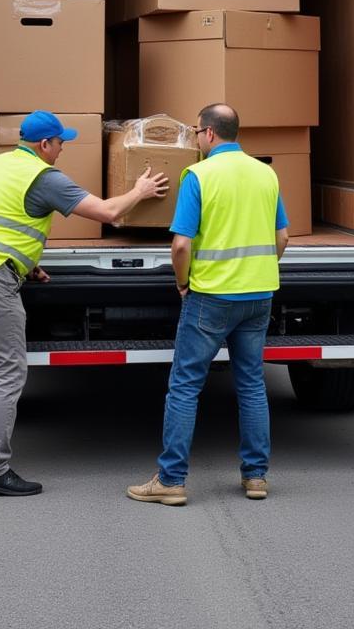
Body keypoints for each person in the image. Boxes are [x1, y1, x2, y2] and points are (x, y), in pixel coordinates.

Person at [0, 109, 169, 497]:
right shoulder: (45, 177)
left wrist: (26, 265)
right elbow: (108, 211)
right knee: (8, 371)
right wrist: (140, 191)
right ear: (44, 144)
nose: (62, 150)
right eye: (61, 143)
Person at [127, 103, 289, 506]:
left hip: (210, 297)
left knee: (184, 387)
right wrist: (258, 270)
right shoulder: (266, 173)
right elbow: (282, 238)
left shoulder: (198, 175)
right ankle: (255, 478)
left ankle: (171, 480)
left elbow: (181, 244)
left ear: (210, 134)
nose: (196, 140)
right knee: (251, 385)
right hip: (259, 296)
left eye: (196, 133)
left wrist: (183, 283)